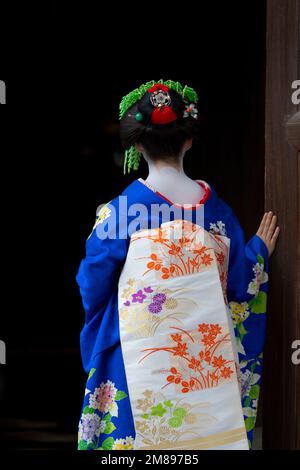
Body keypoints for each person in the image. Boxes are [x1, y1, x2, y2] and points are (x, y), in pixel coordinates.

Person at [76, 80, 280, 450]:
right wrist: (258, 253)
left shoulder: (123, 211)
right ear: (188, 140)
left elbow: (92, 282)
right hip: (203, 366)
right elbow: (238, 287)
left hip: (135, 356)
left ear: (137, 145)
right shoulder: (217, 212)